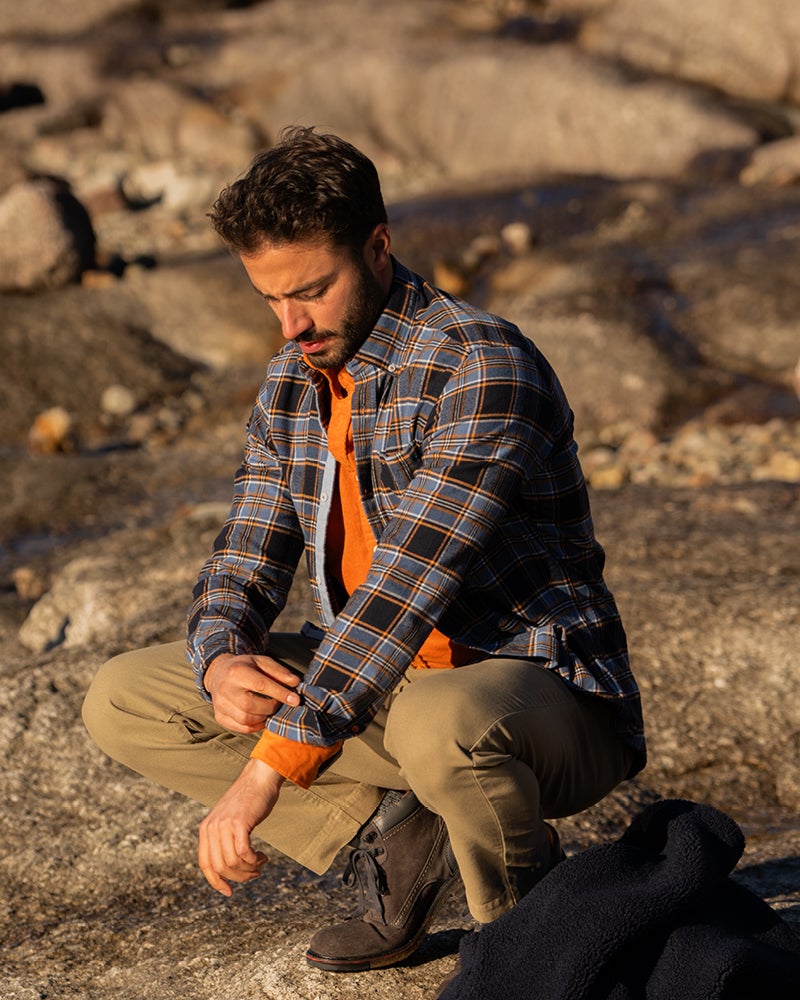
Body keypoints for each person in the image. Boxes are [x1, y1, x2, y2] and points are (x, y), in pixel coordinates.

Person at [82, 125, 646, 985]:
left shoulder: (481, 367)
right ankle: (402, 836)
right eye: (271, 299)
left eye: (311, 291)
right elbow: (244, 555)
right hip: (382, 693)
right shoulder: (293, 380)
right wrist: (222, 658)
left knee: (440, 723)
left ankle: (530, 943)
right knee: (125, 697)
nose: (292, 325)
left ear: (379, 247)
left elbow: (406, 588)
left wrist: (267, 772)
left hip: (537, 698)